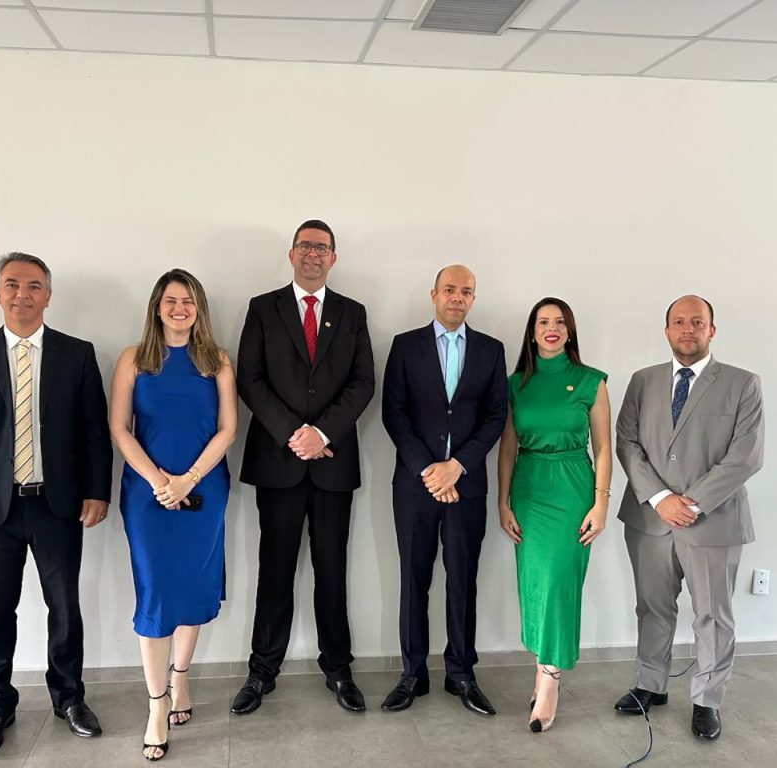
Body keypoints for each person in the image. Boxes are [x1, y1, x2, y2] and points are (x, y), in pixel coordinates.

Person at [0, 252, 113, 759]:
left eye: (34, 285)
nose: (23, 294)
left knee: (64, 606)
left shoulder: (76, 354)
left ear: (48, 295)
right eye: (12, 284)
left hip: (57, 505)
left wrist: (97, 490)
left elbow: (94, 430)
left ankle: (69, 698)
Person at [230, 219, 375, 716]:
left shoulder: (352, 313)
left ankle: (338, 668)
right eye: (306, 246)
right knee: (275, 570)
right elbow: (249, 378)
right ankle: (261, 671)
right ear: (291, 254)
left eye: (322, 247)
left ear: (333, 258)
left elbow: (363, 382)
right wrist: (295, 434)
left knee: (332, 571)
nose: (314, 254)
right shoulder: (262, 308)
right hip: (279, 462)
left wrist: (322, 434)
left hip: (333, 464)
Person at [614, 295, 764, 741]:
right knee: (652, 606)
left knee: (713, 614)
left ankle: (706, 701)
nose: (687, 329)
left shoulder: (743, 383)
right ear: (666, 330)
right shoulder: (642, 381)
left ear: (711, 330)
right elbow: (626, 442)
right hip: (650, 519)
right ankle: (650, 684)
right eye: (678, 321)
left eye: (697, 322)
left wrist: (691, 503)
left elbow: (746, 456)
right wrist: (661, 498)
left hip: (713, 521)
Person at [108, 269, 237, 761]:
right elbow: (120, 429)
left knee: (193, 586)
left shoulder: (216, 360)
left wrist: (189, 480)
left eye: (187, 301)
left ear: (198, 308)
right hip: (148, 496)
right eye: (170, 301)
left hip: (204, 492)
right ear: (156, 308)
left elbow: (227, 429)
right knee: (156, 593)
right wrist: (161, 481)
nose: (179, 308)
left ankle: (180, 678)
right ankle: (156, 704)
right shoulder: (133, 359)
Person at [379, 264, 507, 716]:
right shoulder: (405, 345)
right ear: (433, 295)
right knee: (413, 579)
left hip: (466, 486)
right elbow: (394, 413)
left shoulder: (491, 350)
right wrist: (430, 471)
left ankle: (461, 674)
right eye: (449, 289)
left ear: (473, 298)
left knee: (462, 580)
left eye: (466, 291)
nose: (457, 297)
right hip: (415, 486)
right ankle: (412, 674)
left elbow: (495, 416)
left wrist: (456, 467)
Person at [496, 297, 611, 732]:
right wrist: (502, 501)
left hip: (572, 489)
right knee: (537, 583)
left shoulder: (590, 381)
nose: (552, 328)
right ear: (531, 332)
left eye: (560, 322)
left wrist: (601, 503)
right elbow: (507, 446)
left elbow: (603, 447)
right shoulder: (514, 384)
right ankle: (543, 666)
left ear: (570, 331)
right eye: (543, 321)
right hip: (528, 489)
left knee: (560, 582)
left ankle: (550, 681)